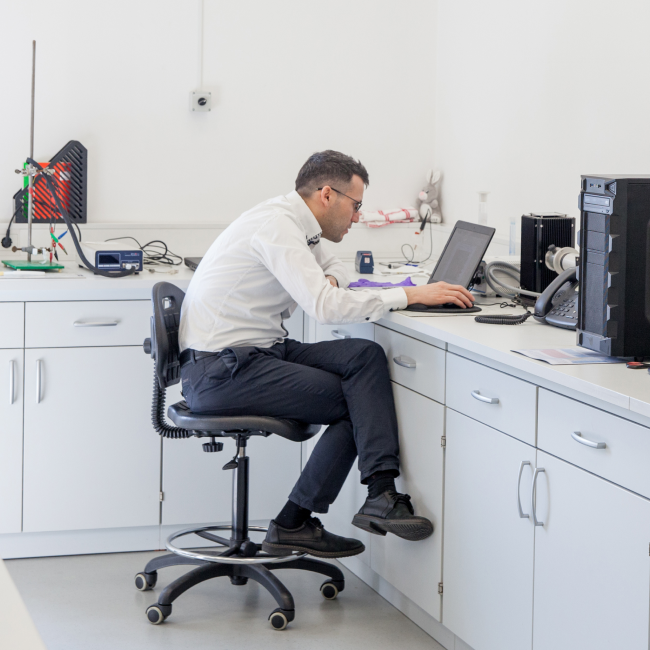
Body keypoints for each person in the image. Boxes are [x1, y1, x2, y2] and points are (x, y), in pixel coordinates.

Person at [179, 150, 474, 558]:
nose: (357, 217)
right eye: (356, 206)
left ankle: (378, 495)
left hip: (253, 353)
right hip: (221, 371)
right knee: (360, 402)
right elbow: (324, 307)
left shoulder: (297, 222)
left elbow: (336, 266)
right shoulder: (277, 227)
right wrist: (409, 294)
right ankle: (301, 520)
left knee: (363, 356)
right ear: (327, 195)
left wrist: (330, 277)